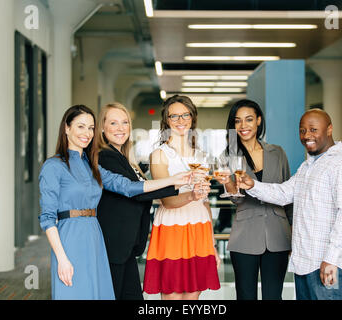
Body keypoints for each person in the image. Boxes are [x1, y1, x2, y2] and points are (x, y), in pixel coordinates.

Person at [38, 105, 191, 300]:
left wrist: (173, 180)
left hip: (95, 236)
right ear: (67, 128)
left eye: (91, 128)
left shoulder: (91, 165)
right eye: (81, 127)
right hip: (71, 237)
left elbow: (127, 186)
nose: (87, 133)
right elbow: (48, 218)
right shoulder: (53, 166)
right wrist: (61, 258)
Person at [237, 108, 342, 300]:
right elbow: (284, 193)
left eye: (313, 130)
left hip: (327, 265)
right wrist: (252, 185)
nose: (306, 136)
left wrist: (331, 259)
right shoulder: (308, 166)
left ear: (329, 129)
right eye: (302, 130)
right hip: (304, 264)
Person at [95, 102, 209, 300]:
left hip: (126, 245)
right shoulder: (106, 156)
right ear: (102, 128)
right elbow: (135, 192)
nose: (121, 128)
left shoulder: (123, 157)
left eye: (125, 122)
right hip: (115, 243)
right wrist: (176, 183)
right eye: (113, 123)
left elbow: (140, 191)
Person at [143, 95, 221, 300]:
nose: (180, 120)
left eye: (185, 115)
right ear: (166, 120)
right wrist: (192, 194)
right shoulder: (159, 155)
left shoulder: (200, 155)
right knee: (173, 296)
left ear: (192, 118)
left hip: (199, 226)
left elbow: (204, 202)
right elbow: (167, 201)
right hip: (172, 226)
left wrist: (212, 243)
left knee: (193, 297)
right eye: (174, 116)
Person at [214, 99, 292, 300]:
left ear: (258, 121)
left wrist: (294, 234)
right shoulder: (227, 156)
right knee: (245, 296)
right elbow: (237, 200)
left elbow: (287, 195)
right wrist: (228, 183)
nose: (243, 126)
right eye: (238, 121)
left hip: (278, 235)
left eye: (249, 120)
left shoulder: (277, 153)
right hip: (245, 236)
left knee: (273, 297)